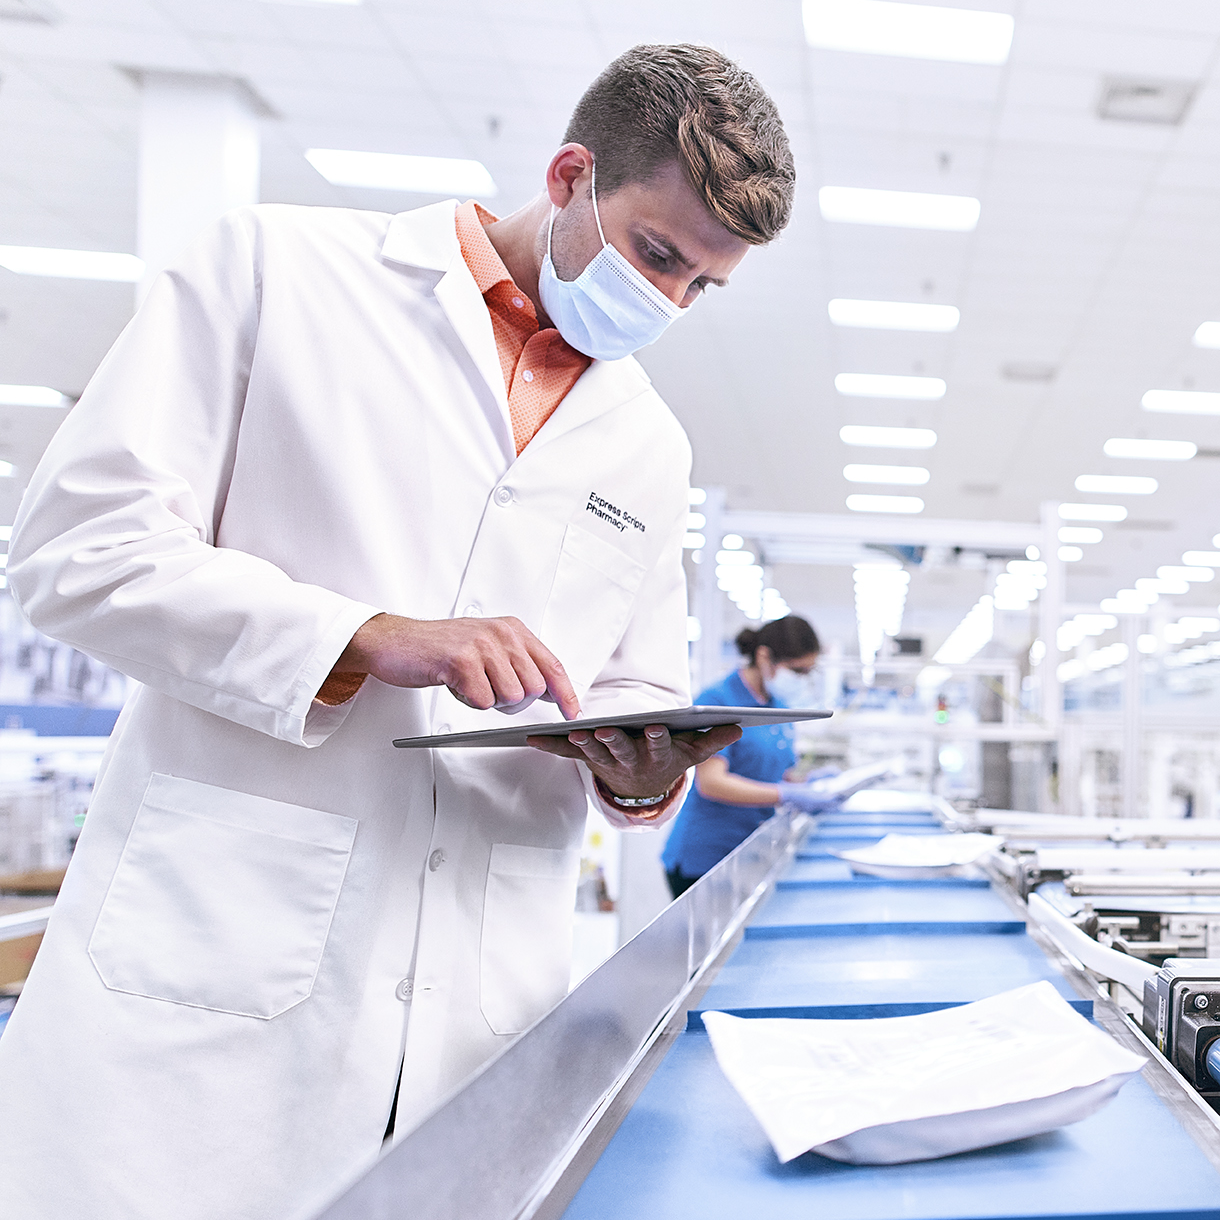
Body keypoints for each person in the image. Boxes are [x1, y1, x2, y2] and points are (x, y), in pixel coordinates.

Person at [0, 44, 795, 1220]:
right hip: (211, 981)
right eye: (656, 253)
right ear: (569, 174)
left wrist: (640, 775)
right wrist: (367, 635)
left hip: (477, 1020)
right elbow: (75, 552)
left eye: (701, 287)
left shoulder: (648, 444)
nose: (666, 302)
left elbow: (636, 678)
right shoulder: (278, 272)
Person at [663, 615, 836, 896]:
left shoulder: (778, 706)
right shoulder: (717, 700)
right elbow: (711, 783)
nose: (802, 680)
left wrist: (802, 783)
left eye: (808, 672)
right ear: (764, 656)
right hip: (706, 857)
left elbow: (767, 772)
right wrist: (786, 794)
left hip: (749, 850)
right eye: (797, 670)